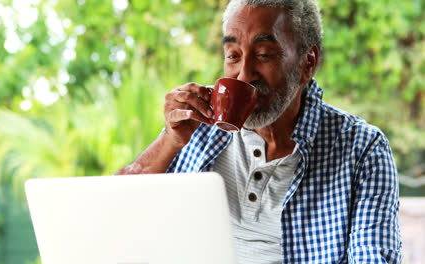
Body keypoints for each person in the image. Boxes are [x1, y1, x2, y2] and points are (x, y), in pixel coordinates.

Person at [116, 0, 403, 263]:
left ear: (307, 64)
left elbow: (373, 256)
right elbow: (114, 212)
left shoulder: (362, 149)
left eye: (264, 55)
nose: (244, 74)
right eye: (233, 55)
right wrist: (169, 140)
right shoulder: (196, 130)